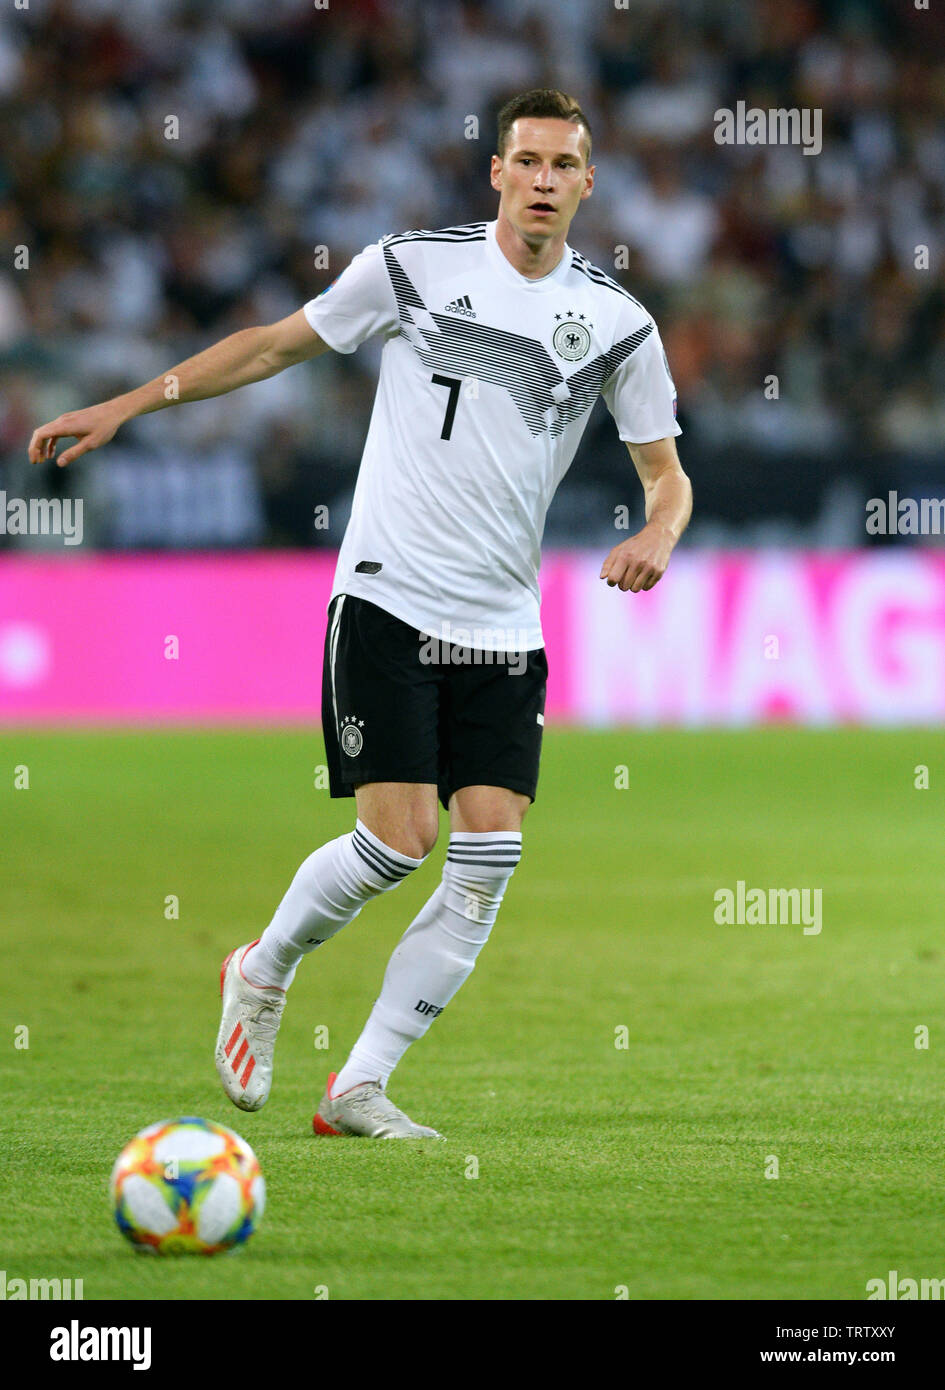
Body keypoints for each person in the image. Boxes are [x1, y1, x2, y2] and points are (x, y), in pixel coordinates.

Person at [28, 89, 692, 1139]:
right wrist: (125, 403)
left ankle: (359, 1084)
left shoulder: (617, 323)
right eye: (527, 162)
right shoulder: (413, 265)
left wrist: (659, 532)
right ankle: (263, 965)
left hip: (504, 625)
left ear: (587, 184)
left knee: (487, 860)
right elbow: (271, 347)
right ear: (498, 173)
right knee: (399, 840)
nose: (544, 183)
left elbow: (666, 474)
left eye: (565, 166)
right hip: (388, 591)